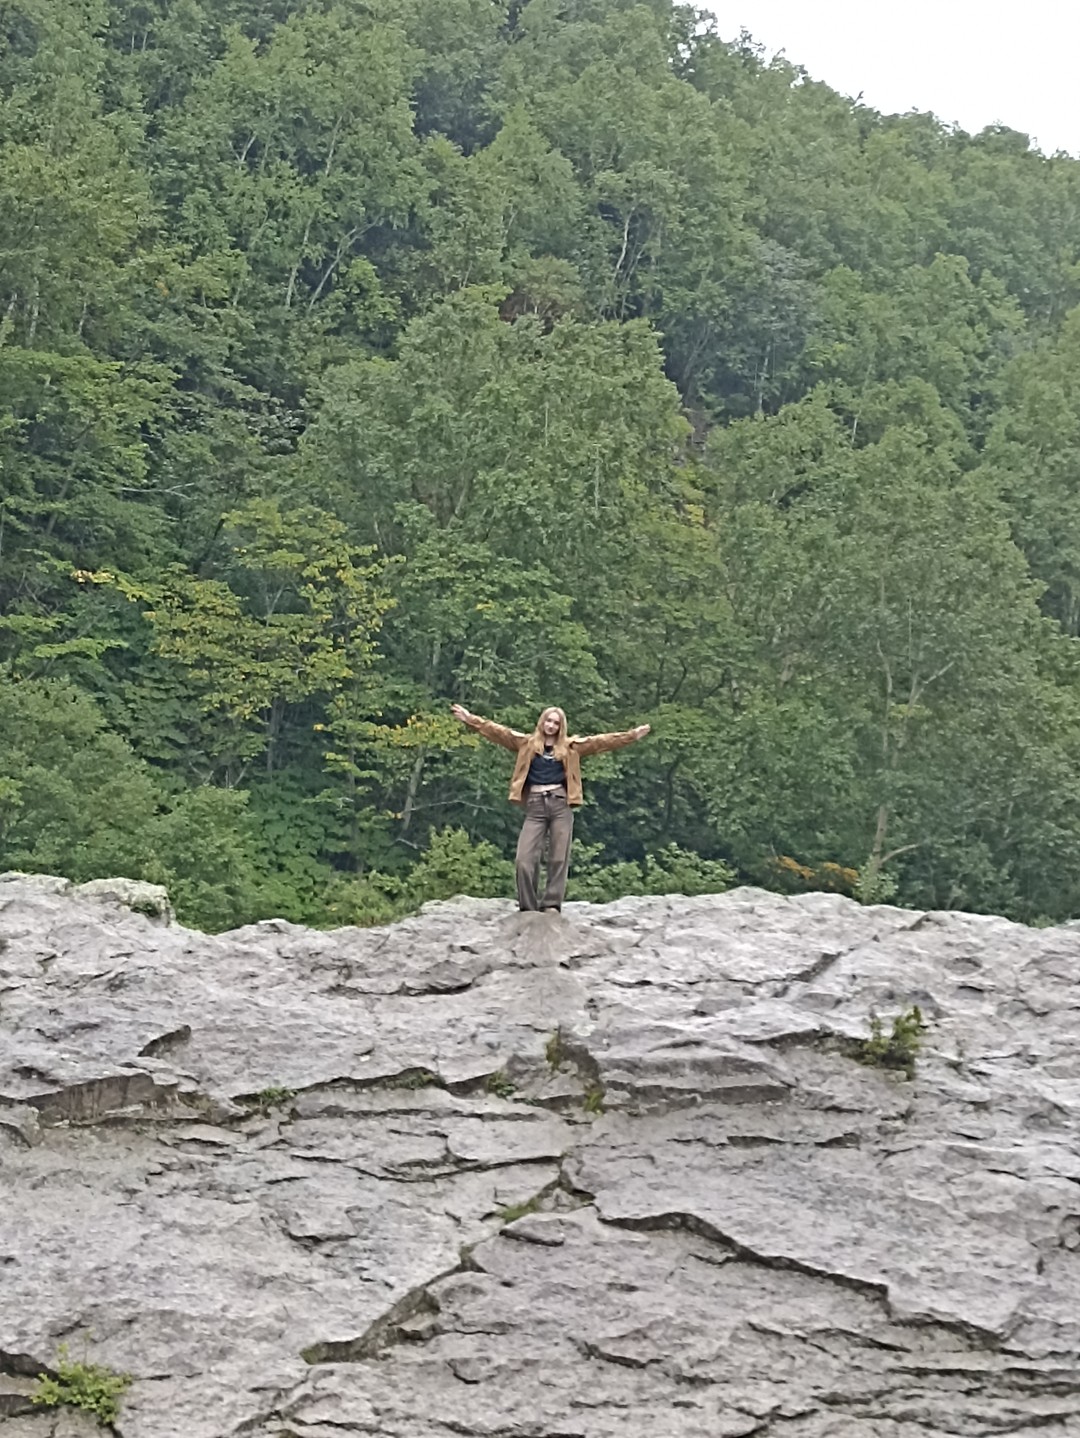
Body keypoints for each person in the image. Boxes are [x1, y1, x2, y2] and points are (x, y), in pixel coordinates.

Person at [450, 703, 651, 913]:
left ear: (561, 726)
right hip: (535, 805)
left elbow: (601, 742)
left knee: (558, 857)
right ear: (542, 722)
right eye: (549, 720)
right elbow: (497, 731)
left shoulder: (571, 747)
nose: (551, 725)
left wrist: (632, 736)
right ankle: (528, 906)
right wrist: (469, 719)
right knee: (524, 860)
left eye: (556, 722)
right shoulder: (526, 743)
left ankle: (551, 904)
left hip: (560, 804)